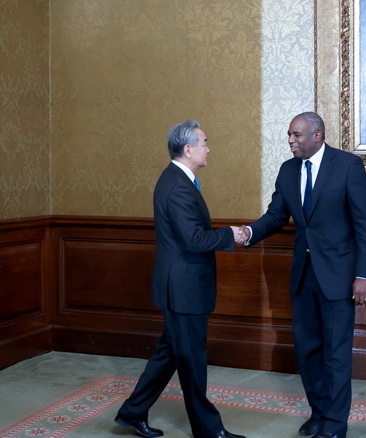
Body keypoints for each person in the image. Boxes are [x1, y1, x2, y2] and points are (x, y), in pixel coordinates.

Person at [242, 112, 366, 438]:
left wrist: (364, 275)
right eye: (289, 135)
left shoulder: (347, 166)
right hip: (303, 277)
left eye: (296, 135)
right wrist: (248, 232)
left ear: (317, 135)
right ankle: (318, 414)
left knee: (336, 355)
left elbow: (365, 225)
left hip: (339, 277)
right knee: (308, 352)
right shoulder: (288, 170)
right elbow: (276, 216)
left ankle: (335, 425)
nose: (290, 141)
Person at [114, 120, 246, 438]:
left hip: (181, 285)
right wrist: (230, 234)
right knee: (192, 359)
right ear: (188, 149)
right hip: (184, 288)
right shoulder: (177, 186)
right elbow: (195, 240)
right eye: (204, 143)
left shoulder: (178, 180)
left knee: (171, 352)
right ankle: (208, 429)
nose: (208, 149)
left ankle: (132, 412)